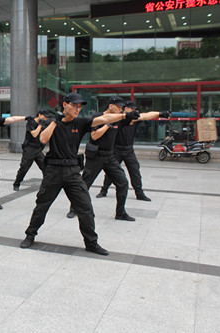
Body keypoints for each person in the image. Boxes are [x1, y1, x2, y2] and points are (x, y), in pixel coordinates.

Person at [20, 93, 140, 255]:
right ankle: (30, 235)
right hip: (53, 172)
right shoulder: (51, 122)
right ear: (65, 105)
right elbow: (42, 139)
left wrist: (125, 115)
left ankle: (91, 243)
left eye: (79, 106)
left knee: (85, 208)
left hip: (72, 172)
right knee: (42, 206)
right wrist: (56, 121)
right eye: (74, 106)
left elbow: (103, 120)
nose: (78, 109)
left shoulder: (81, 122)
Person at [66, 96, 140, 221]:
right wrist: (107, 125)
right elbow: (94, 136)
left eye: (122, 108)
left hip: (110, 156)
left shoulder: (119, 118)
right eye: (119, 107)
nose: (121, 110)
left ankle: (120, 213)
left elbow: (142, 117)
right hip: (96, 156)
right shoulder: (98, 117)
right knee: (84, 184)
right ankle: (74, 209)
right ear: (111, 106)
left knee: (123, 183)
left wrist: (160, 114)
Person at [96, 101, 171, 201]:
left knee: (135, 172)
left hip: (129, 150)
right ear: (126, 109)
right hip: (116, 150)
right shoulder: (118, 118)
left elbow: (146, 116)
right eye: (132, 109)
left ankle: (139, 194)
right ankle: (103, 190)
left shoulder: (134, 119)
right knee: (111, 172)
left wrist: (161, 114)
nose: (135, 111)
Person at [12, 109, 50, 191]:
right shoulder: (31, 122)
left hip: (38, 149)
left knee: (45, 167)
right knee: (24, 168)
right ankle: (16, 183)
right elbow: (34, 134)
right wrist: (40, 125)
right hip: (29, 148)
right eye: (44, 116)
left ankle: (47, 185)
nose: (45, 118)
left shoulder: (44, 123)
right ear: (39, 114)